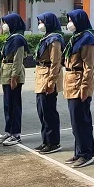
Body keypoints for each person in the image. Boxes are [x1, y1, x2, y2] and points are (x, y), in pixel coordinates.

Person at [63, 9, 94, 168]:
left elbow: (89, 66)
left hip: (80, 82)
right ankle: (79, 151)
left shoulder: (87, 39)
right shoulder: (75, 38)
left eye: (72, 19)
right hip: (71, 82)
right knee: (75, 120)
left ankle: (86, 154)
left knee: (82, 120)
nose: (69, 23)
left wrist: (85, 87)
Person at [34, 12, 65, 154]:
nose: (40, 24)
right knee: (42, 111)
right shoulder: (46, 38)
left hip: (48, 76)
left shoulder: (55, 39)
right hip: (41, 75)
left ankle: (54, 142)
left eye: (42, 22)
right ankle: (45, 140)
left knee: (49, 112)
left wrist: (51, 82)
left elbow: (56, 61)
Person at [0, 13, 29, 146]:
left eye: (6, 22)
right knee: (7, 104)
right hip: (6, 72)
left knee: (14, 105)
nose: (4, 25)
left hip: (12, 74)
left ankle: (16, 134)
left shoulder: (18, 40)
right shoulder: (11, 38)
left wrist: (14, 77)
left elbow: (18, 60)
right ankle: (8, 131)